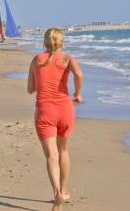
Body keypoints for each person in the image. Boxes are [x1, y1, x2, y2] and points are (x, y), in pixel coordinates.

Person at [27, 28, 83, 210]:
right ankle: (64, 190)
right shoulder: (67, 59)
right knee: (64, 151)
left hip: (45, 111)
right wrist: (77, 93)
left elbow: (30, 89)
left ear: (44, 43)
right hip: (65, 109)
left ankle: (57, 193)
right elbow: (79, 75)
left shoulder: (36, 60)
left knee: (52, 156)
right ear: (62, 43)